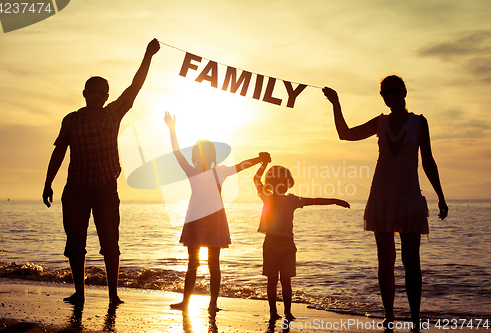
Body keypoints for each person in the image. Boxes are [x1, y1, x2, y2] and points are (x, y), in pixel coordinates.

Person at [323, 75, 448, 332]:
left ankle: (415, 320)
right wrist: (335, 103)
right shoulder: (380, 122)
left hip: (410, 197)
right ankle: (389, 317)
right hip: (381, 195)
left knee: (411, 260)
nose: (389, 97)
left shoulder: (419, 122)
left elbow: (428, 161)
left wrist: (441, 197)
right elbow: (345, 135)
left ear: (403, 92)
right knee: (385, 260)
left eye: (393, 91)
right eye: (384, 93)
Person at [42, 38, 161, 305]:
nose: (95, 95)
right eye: (91, 91)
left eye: (100, 92)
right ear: (84, 93)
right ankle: (79, 293)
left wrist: (148, 55)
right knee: (75, 244)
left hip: (106, 189)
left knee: (110, 244)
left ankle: (113, 295)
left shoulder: (113, 114)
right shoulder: (71, 119)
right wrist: (48, 182)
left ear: (107, 96)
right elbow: (59, 151)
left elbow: (135, 87)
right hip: (75, 191)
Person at [164, 111, 271, 314]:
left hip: (213, 221)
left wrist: (259, 159)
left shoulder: (219, 171)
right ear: (195, 158)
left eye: (204, 154)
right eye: (198, 155)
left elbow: (241, 166)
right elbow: (176, 152)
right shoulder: (192, 171)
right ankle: (186, 303)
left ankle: (212, 304)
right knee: (193, 264)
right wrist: (172, 129)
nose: (200, 158)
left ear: (212, 157)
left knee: (213, 264)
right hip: (197, 221)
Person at [253, 163, 350, 321]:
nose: (284, 185)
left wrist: (335, 201)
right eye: (280, 182)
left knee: (286, 281)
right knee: (272, 280)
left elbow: (314, 201)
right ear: (272, 184)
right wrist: (263, 164)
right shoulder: (267, 195)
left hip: (288, 245)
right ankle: (272, 312)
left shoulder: (292, 200)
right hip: (271, 244)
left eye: (286, 182)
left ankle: (287, 312)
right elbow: (256, 178)